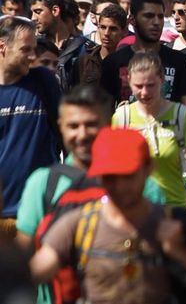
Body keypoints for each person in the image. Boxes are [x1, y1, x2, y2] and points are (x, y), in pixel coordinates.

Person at [29, 127, 186, 304]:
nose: (120, 186)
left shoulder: (172, 224)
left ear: (148, 169)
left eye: (128, 175)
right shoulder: (78, 224)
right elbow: (30, 274)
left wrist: (181, 251)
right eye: (110, 177)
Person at [14, 85, 167, 304]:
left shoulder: (145, 186)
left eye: (91, 125)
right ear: (61, 127)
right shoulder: (42, 183)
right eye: (73, 126)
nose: (82, 134)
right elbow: (24, 256)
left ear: (109, 125)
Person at [112, 52, 186, 211]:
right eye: (138, 86)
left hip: (175, 208)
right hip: (134, 213)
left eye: (150, 85)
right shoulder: (122, 118)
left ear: (162, 80)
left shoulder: (180, 116)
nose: (144, 92)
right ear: (129, 82)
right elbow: (113, 170)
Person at [100, 0, 186, 136]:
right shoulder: (114, 62)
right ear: (132, 20)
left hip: (170, 146)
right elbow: (104, 112)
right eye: (148, 16)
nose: (156, 22)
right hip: (128, 145)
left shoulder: (179, 61)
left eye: (160, 16)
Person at [0, 16, 62, 241]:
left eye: (34, 49)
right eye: (26, 49)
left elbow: (65, 134)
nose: (34, 57)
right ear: (2, 46)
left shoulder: (44, 82)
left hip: (41, 211)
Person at [74, 4, 128, 87]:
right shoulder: (83, 63)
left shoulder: (130, 63)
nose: (106, 33)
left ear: (124, 31)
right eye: (102, 27)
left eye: (113, 29)